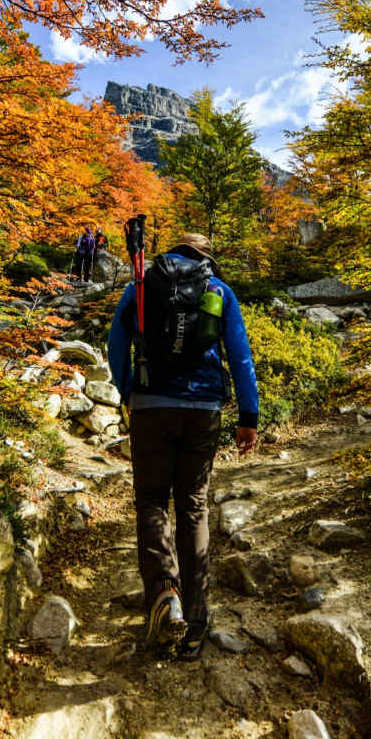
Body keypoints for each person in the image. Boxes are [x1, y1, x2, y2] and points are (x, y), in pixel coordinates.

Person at [107, 232, 259, 660]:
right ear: (205, 257)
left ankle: (163, 595)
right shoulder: (219, 291)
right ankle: (195, 619)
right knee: (192, 504)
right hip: (204, 408)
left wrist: (128, 393)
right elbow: (240, 355)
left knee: (152, 501)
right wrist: (248, 416)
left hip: (151, 405)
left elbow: (116, 344)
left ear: (172, 252)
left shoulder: (139, 284)